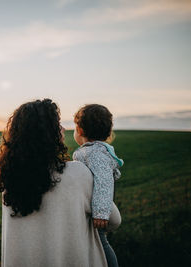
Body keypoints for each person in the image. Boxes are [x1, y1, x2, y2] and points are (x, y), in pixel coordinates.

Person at [0, 99, 121, 267]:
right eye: (58, 124)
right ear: (48, 133)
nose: (64, 128)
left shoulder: (11, 182)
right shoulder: (77, 173)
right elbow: (114, 220)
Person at [72, 104, 124, 267]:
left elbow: (103, 180)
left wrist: (101, 212)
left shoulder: (94, 153)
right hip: (91, 208)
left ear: (79, 130)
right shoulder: (93, 151)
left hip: (96, 213)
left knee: (101, 244)